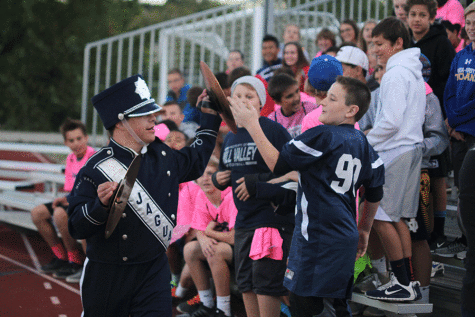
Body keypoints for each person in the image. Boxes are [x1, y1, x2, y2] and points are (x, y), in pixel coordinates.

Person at [229, 75, 384, 317]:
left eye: (331, 99)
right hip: (342, 237)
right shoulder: (362, 142)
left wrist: (252, 124)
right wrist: (364, 229)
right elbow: (376, 190)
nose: (322, 103)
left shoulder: (323, 135)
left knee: (310, 308)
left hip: (318, 240)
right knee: (334, 306)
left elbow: (278, 164)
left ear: (351, 111)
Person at [67, 74, 222, 316]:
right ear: (120, 122)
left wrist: (210, 117)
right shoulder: (96, 168)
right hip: (109, 276)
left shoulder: (161, 156)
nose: (154, 117)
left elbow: (195, 160)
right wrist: (99, 206)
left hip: (154, 271)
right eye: (145, 114)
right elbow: (76, 226)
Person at [215, 76, 294, 317]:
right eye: (237, 96)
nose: (242, 101)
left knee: (266, 286)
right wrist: (217, 179)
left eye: (249, 96)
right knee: (246, 283)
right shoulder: (230, 136)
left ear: (261, 103)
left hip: (271, 219)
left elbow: (291, 174)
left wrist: (258, 184)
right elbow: (224, 170)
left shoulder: (274, 131)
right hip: (244, 222)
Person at [364, 17, 425, 301]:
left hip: (397, 150)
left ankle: (402, 282)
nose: (375, 50)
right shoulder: (409, 70)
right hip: (408, 148)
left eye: (380, 44)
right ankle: (408, 283)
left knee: (379, 216)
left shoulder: (395, 73)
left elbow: (390, 122)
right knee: (396, 217)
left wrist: (363, 141)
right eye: (373, 44)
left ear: (398, 43)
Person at [31, 118, 95, 282]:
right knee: (37, 213)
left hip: (86, 202)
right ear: (66, 142)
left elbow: (90, 189)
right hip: (72, 200)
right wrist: (64, 199)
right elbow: (69, 188)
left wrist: (68, 200)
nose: (76, 143)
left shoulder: (93, 156)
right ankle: (61, 257)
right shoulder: (70, 159)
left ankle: (76, 260)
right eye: (71, 140)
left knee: (59, 214)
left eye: (79, 138)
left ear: (86, 138)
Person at [441, 2, 475, 266]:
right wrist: (452, 122)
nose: (473, 28)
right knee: (462, 190)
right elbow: (449, 89)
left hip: (470, 131)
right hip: (458, 131)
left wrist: (457, 120)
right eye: (470, 23)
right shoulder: (460, 55)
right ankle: (464, 239)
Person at [183, 161, 238, 317]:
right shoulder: (202, 194)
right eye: (200, 174)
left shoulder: (231, 194)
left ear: (220, 176)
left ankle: (223, 310)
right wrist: (202, 238)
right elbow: (198, 228)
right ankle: (206, 304)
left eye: (210, 173)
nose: (205, 179)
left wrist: (209, 233)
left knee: (213, 251)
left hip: (242, 247)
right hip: (221, 244)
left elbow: (234, 238)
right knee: (190, 249)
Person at [267, 73, 319, 138]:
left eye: (297, 91)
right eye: (289, 96)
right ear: (278, 102)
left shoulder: (311, 109)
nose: (297, 98)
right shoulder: (272, 121)